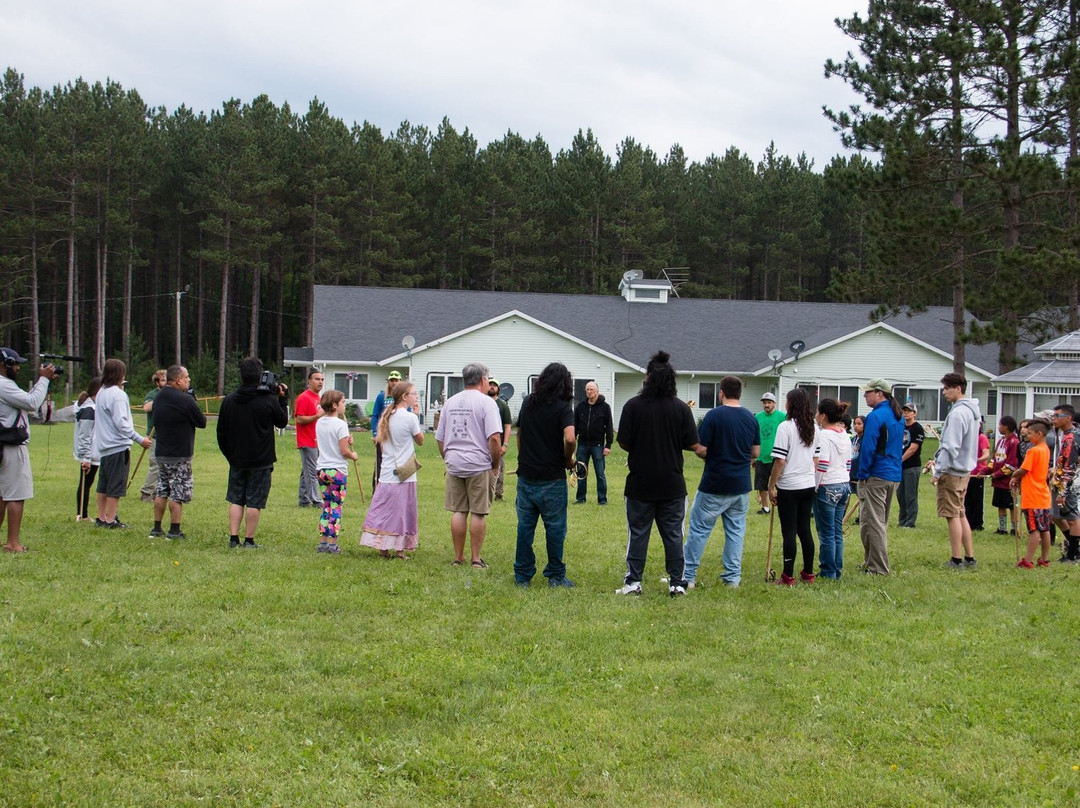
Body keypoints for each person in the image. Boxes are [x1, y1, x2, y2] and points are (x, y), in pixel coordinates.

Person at [615, 350, 704, 597]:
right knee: (674, 535)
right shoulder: (681, 408)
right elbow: (692, 443)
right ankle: (677, 583)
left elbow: (623, 442)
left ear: (648, 378)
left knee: (638, 534)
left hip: (640, 483)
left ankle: (634, 582)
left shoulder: (632, 406)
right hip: (672, 483)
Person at [682, 375, 759, 589]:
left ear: (721, 393)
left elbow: (701, 449)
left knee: (699, 530)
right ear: (740, 393)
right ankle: (732, 578)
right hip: (741, 485)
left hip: (714, 483)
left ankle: (688, 576)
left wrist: (710, 454)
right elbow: (755, 452)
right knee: (735, 532)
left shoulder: (714, 415)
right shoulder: (751, 418)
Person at [513, 362, 576, 588]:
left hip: (526, 475)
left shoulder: (528, 402)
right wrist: (567, 459)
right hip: (553, 479)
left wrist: (523, 458)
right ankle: (556, 576)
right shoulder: (563, 408)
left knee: (525, 528)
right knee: (555, 529)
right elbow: (570, 438)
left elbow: (519, 433)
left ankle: (522, 576)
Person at [434, 362, 502, 568]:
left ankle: (458, 557)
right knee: (479, 512)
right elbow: (494, 438)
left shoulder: (450, 402)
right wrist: (495, 464)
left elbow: (440, 437)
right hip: (478, 464)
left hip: (454, 463)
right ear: (482, 379)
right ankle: (476, 558)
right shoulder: (487, 403)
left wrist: (448, 458)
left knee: (459, 511)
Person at [216, 358, 289, 549]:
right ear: (260, 376)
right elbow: (282, 422)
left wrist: (229, 455)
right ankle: (249, 540)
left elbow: (221, 432)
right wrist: (282, 399)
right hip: (261, 459)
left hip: (237, 459)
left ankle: (233, 538)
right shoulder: (267, 400)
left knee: (236, 499)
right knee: (254, 502)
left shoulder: (229, 400)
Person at [0, 347, 59, 553]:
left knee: (2, 494)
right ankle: (13, 544)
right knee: (16, 495)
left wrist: (43, 382)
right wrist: (44, 380)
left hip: (3, 444)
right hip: (11, 446)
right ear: (5, 364)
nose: (17, 367)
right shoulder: (4, 385)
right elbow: (32, 403)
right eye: (15, 363)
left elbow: (25, 399)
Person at [361, 381, 423, 557]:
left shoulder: (387, 416)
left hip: (387, 470)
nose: (416, 397)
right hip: (405, 471)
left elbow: (382, 445)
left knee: (385, 510)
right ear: (405, 397)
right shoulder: (410, 418)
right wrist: (416, 415)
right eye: (413, 394)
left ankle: (383, 546)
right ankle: (400, 549)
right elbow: (420, 440)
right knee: (401, 512)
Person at [148, 365, 206, 540]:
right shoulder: (185, 400)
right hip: (179, 453)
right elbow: (201, 421)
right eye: (187, 377)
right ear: (179, 380)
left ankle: (157, 528)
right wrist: (192, 401)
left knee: (162, 489)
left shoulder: (158, 397)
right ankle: (174, 530)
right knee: (177, 492)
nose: (189, 380)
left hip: (161, 451)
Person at [930, 373, 981, 569]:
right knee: (960, 513)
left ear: (958, 388)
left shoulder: (958, 413)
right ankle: (970, 557)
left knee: (952, 515)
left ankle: (956, 559)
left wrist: (938, 471)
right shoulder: (972, 411)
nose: (944, 392)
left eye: (947, 388)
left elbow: (950, 446)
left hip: (952, 470)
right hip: (965, 470)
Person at [768, 387, 820, 585]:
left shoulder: (786, 427)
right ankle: (808, 573)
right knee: (805, 529)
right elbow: (816, 459)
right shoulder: (814, 427)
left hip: (789, 485)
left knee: (789, 531)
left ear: (792, 404)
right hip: (808, 484)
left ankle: (788, 576)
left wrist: (771, 486)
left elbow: (780, 461)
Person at [94, 359, 153, 529]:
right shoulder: (118, 395)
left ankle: (101, 517)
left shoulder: (101, 392)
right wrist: (140, 439)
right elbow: (121, 423)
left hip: (105, 446)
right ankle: (111, 519)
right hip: (117, 446)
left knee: (103, 484)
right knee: (115, 485)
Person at [856, 379, 904, 575]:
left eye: (868, 393)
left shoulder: (875, 416)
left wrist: (862, 474)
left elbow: (868, 447)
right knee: (873, 521)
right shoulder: (897, 415)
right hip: (893, 474)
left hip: (877, 474)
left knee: (874, 523)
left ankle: (878, 568)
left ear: (879, 393)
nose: (865, 396)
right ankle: (871, 561)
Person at [314, 389, 359, 554]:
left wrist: (346, 439)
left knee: (326, 506)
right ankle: (333, 545)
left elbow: (326, 443)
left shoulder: (319, 422)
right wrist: (353, 455)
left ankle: (323, 543)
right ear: (334, 405)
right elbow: (344, 451)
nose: (344, 405)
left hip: (322, 469)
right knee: (336, 507)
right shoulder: (341, 424)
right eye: (343, 402)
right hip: (337, 470)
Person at [815, 398, 853, 579]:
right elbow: (848, 463)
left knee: (826, 532)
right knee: (837, 530)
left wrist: (815, 485)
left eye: (817, 412)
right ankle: (837, 568)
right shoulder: (844, 434)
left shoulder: (824, 436)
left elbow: (822, 464)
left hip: (828, 485)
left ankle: (828, 571)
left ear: (823, 416)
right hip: (844, 484)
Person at [1010, 419, 1053, 568]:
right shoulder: (1045, 449)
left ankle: (1027, 560)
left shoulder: (1033, 451)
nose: (1026, 435)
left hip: (1032, 496)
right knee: (1045, 529)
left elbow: (1023, 469)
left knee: (1034, 530)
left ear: (1039, 434)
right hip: (1043, 496)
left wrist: (1014, 475)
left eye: (1029, 433)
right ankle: (1044, 558)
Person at [573, 380, 613, 505]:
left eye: (591, 389)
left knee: (600, 473)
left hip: (598, 446)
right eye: (587, 389)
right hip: (582, 445)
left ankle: (602, 499)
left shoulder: (605, 407)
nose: (589, 392)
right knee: (581, 472)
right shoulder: (580, 407)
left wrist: (608, 445)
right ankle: (580, 498)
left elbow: (609, 427)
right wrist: (572, 442)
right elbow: (575, 426)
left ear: (597, 391)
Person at [1049, 403, 1080, 562]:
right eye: (1053, 416)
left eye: (1057, 416)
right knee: (1055, 516)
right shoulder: (1063, 434)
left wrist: (1063, 491)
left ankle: (1073, 554)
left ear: (1068, 418)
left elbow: (1070, 466)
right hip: (1058, 479)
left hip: (1069, 483)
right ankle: (1075, 547)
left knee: (1072, 518)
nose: (1053, 419)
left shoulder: (1072, 437)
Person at [294, 368, 324, 508]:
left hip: (316, 440)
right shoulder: (304, 397)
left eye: (322, 379)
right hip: (307, 440)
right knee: (312, 472)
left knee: (306, 471)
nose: (320, 382)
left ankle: (304, 499)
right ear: (309, 381)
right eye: (317, 379)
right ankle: (316, 500)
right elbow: (299, 419)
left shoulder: (318, 398)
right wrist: (317, 416)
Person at [73, 377, 102, 523]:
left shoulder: (92, 407)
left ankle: (83, 513)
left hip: (93, 453)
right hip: (90, 454)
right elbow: (84, 435)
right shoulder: (89, 410)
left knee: (87, 484)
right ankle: (82, 514)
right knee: (85, 484)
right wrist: (86, 457)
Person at [371, 371, 403, 490]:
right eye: (392, 380)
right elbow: (375, 415)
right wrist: (375, 434)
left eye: (396, 380)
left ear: (400, 381)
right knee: (381, 461)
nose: (394, 383)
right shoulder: (381, 397)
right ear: (388, 382)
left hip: (397, 435)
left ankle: (397, 486)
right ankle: (377, 487)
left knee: (398, 460)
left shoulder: (403, 397)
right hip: (383, 434)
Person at [138, 369, 167, 503]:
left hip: (166, 435)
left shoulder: (170, 394)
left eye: (167, 379)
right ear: (157, 382)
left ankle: (157, 492)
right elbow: (146, 408)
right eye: (163, 380)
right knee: (155, 464)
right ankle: (146, 492)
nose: (165, 382)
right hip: (154, 435)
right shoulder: (153, 394)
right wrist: (160, 399)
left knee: (164, 465)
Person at [990, 416, 1020, 536]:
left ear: (1006, 427)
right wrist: (985, 471)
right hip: (998, 481)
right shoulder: (1001, 441)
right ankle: (1002, 528)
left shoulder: (1014, 442)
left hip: (1009, 481)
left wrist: (997, 474)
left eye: (1000, 425)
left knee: (1012, 505)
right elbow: (994, 460)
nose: (998, 427)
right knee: (1000, 504)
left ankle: (1014, 529)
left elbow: (1012, 464)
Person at [755, 392, 784, 514]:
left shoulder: (782, 416)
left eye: (769, 402)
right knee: (761, 483)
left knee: (780, 483)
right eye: (764, 403)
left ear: (774, 403)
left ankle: (782, 505)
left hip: (776, 456)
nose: (766, 405)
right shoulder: (758, 417)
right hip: (761, 456)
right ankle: (765, 507)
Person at [897, 403, 924, 528]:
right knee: (900, 494)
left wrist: (900, 460)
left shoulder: (917, 428)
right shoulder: (901, 426)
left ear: (915, 413)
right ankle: (902, 520)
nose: (906, 413)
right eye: (904, 411)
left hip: (912, 466)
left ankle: (910, 521)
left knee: (910, 495)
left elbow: (913, 448)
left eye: (909, 411)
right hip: (899, 467)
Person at [488, 377, 513, 501]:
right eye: (490, 384)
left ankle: (498, 494)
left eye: (494, 385)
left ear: (498, 389)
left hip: (498, 443)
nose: (492, 386)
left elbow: (507, 426)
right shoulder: (482, 403)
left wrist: (505, 444)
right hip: (483, 444)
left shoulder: (502, 406)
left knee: (499, 468)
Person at [963, 420, 991, 531]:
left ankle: (977, 524)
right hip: (967, 473)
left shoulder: (982, 438)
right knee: (966, 499)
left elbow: (986, 454)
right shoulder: (968, 438)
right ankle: (967, 522)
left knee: (977, 500)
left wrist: (976, 460)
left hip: (978, 473)